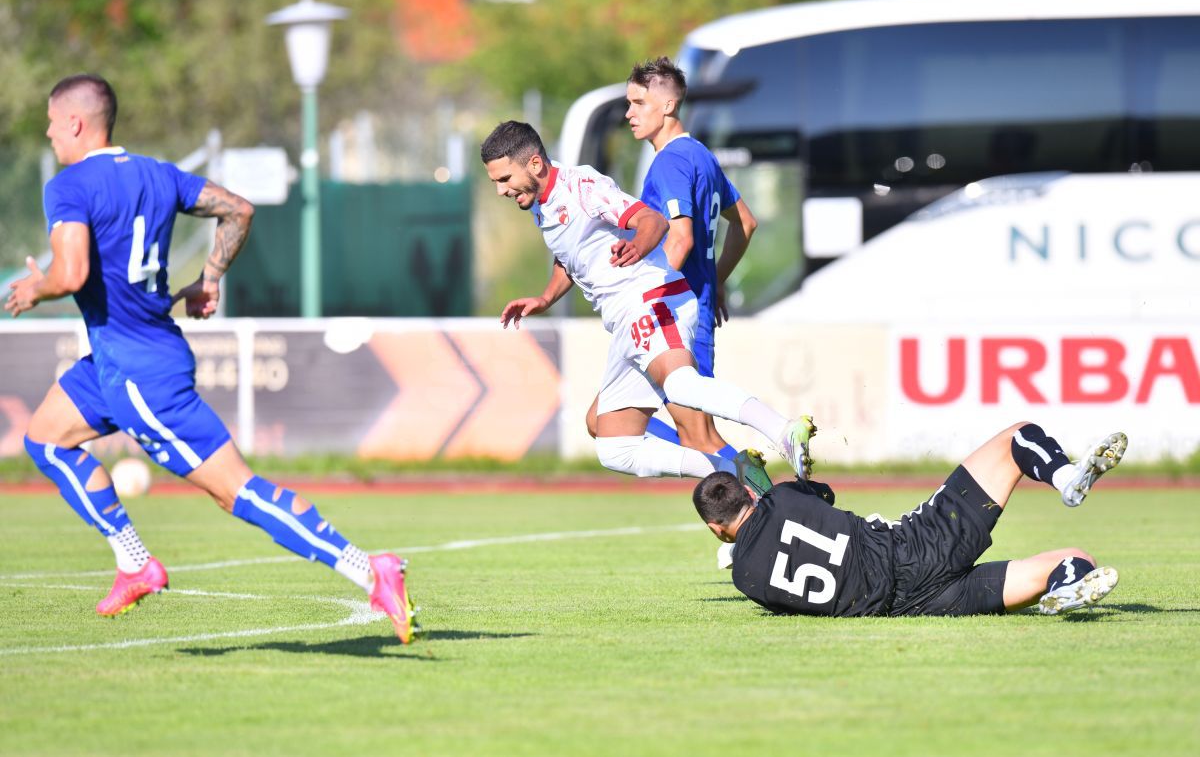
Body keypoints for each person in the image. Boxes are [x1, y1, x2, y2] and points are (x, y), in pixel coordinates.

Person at [5, 74, 417, 643]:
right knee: (46, 437)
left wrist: (36, 289)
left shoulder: (69, 186)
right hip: (128, 356)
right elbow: (239, 211)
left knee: (236, 492)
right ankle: (134, 563)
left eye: (52, 122)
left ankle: (370, 569)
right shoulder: (159, 173)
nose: (49, 133)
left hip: (137, 374)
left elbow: (71, 273)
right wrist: (209, 279)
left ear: (75, 123)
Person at [481, 120, 814, 483]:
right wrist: (545, 297)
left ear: (534, 165)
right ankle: (730, 471)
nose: (501, 191)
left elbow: (650, 220)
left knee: (682, 388)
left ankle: (783, 430)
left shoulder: (582, 187)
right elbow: (571, 255)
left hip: (653, 298)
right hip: (626, 320)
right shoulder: (541, 206)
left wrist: (639, 245)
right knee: (612, 443)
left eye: (504, 179)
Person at [694, 422, 1128, 617]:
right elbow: (821, 495)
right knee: (1018, 437)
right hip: (914, 548)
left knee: (1073, 557)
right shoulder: (784, 498)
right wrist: (782, 481)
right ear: (749, 493)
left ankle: (1067, 583)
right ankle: (1067, 478)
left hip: (914, 606)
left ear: (716, 531)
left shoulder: (746, 581)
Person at [585, 56, 760, 466]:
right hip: (674, 314)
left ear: (666, 106)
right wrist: (714, 282)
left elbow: (679, 242)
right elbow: (746, 223)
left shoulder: (671, 161)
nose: (629, 113)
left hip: (671, 318)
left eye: (638, 102)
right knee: (601, 419)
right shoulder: (700, 155)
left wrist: (636, 292)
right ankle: (741, 477)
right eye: (628, 103)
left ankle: (769, 500)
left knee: (700, 438)